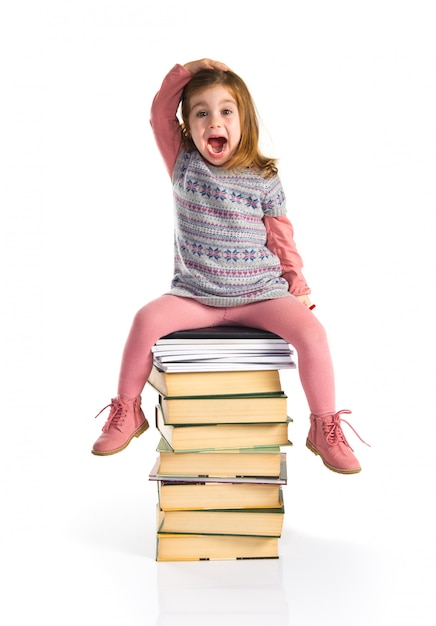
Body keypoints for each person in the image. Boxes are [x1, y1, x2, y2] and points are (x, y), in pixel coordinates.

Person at [92, 58, 368, 473]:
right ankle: (128, 410)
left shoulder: (264, 176)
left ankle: (323, 425)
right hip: (195, 294)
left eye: (225, 111)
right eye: (200, 112)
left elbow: (281, 239)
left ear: (243, 121)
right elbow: (157, 113)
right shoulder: (183, 161)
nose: (213, 121)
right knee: (144, 321)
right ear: (188, 126)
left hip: (259, 294)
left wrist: (298, 285)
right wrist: (191, 69)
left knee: (313, 335)